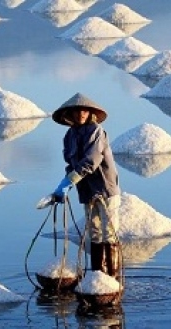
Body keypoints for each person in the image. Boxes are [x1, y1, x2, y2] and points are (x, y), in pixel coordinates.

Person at [50, 92, 122, 280]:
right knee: (95, 232)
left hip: (105, 188)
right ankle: (97, 276)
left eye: (84, 110)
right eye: (76, 111)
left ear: (90, 113)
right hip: (87, 190)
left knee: (109, 232)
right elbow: (71, 163)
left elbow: (92, 160)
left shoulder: (97, 132)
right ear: (70, 115)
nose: (80, 114)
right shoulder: (70, 135)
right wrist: (64, 185)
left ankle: (112, 278)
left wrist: (70, 180)